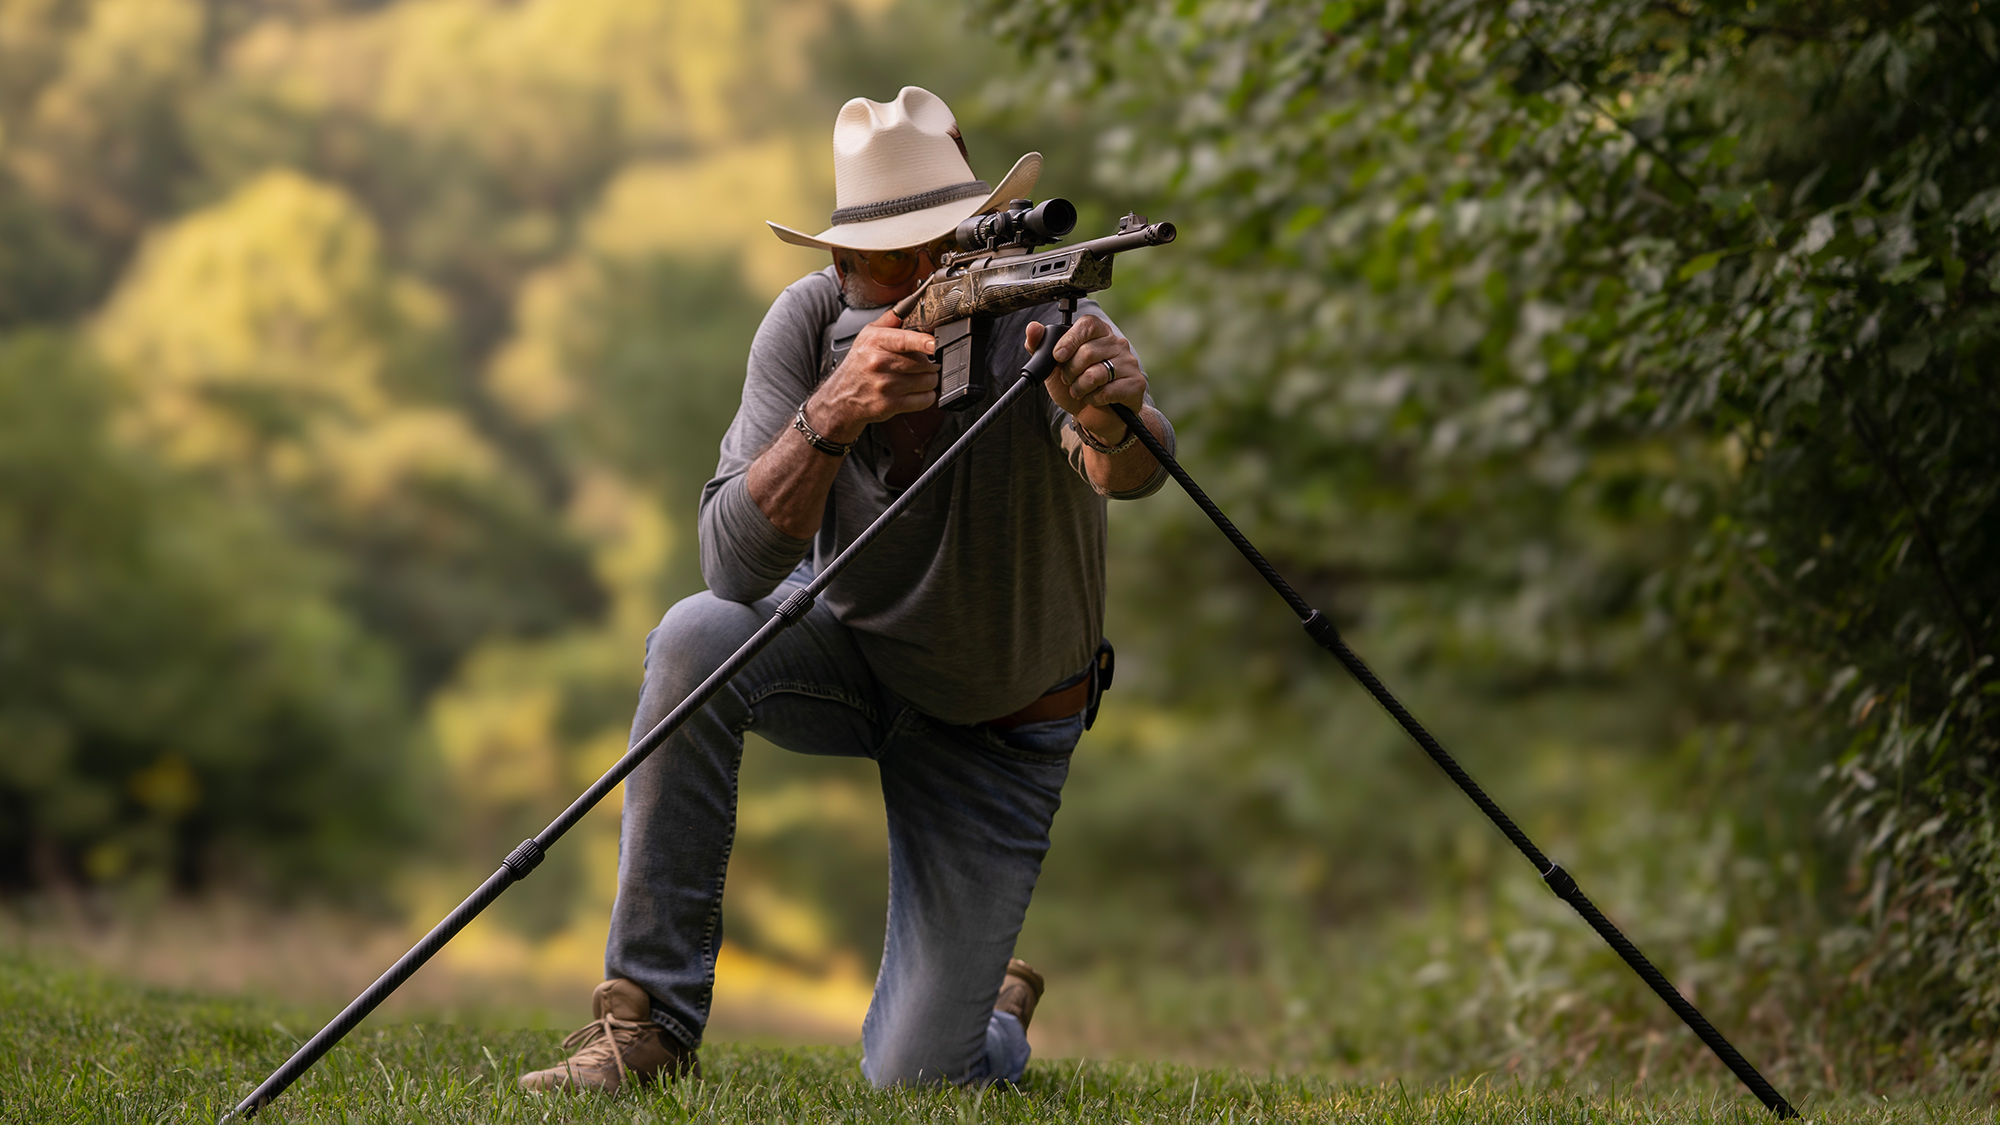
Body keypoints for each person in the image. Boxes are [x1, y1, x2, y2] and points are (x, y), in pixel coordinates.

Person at [518, 85, 1175, 1093]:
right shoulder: (807, 324)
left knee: (915, 1079)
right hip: (855, 661)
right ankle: (646, 1023)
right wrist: (834, 411)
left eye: (943, 243)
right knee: (694, 637)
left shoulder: (1034, 312)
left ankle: (987, 1008)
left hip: (998, 724)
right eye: (894, 255)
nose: (926, 273)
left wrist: (1106, 412)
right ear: (840, 260)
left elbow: (1128, 472)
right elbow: (732, 567)